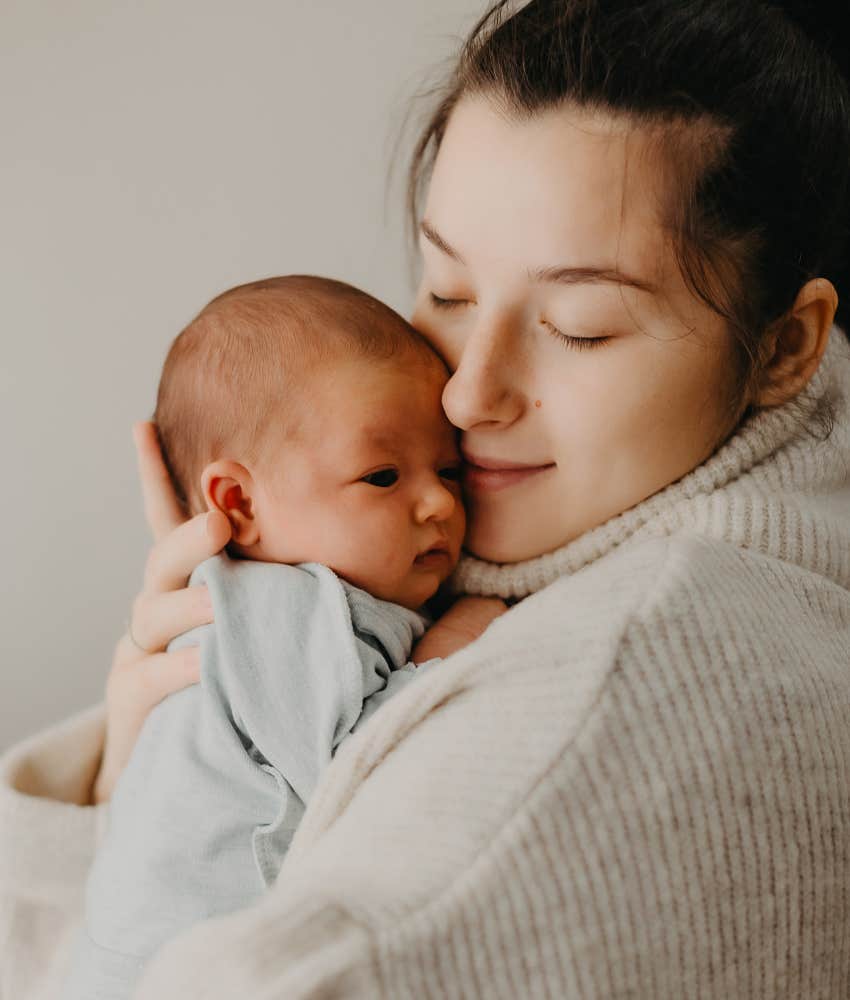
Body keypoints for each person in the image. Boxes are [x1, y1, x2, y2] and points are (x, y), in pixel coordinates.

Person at [2, 0, 850, 996]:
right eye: (446, 288)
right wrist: (147, 767)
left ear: (786, 346)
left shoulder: (614, 680)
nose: (464, 391)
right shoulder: (502, 551)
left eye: (579, 325)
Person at [62, 275, 488, 1000]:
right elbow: (356, 771)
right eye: (383, 475)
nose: (441, 501)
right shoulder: (281, 606)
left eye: (448, 468)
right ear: (238, 502)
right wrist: (450, 646)